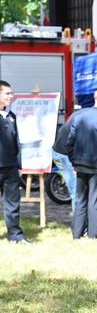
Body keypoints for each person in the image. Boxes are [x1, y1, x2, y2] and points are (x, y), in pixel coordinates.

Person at [65, 87, 97, 239]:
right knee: (94, 200)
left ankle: (76, 233)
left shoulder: (79, 117)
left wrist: (73, 161)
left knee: (80, 198)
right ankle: (94, 234)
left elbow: (69, 142)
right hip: (96, 166)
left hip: (80, 164)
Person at [0, 80, 31, 244]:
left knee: (13, 203)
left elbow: (16, 142)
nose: (10, 96)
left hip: (11, 168)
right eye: (7, 93)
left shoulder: (11, 116)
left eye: (11, 93)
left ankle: (15, 236)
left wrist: (19, 165)